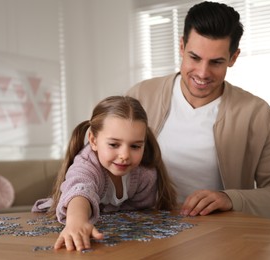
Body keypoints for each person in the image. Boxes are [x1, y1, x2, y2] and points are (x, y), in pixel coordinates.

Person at [127, 1, 270, 220]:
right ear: (182, 47)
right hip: (145, 233)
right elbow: (94, 165)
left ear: (233, 58)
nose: (203, 72)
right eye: (194, 57)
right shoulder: (140, 97)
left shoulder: (258, 115)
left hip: (222, 239)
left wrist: (230, 199)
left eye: (216, 62)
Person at [32, 95, 177, 251]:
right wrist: (76, 222)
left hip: (119, 240)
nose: (125, 155)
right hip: (64, 225)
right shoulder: (87, 165)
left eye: (135, 146)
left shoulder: (145, 174)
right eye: (114, 144)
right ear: (93, 141)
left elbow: (142, 214)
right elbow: (79, 190)